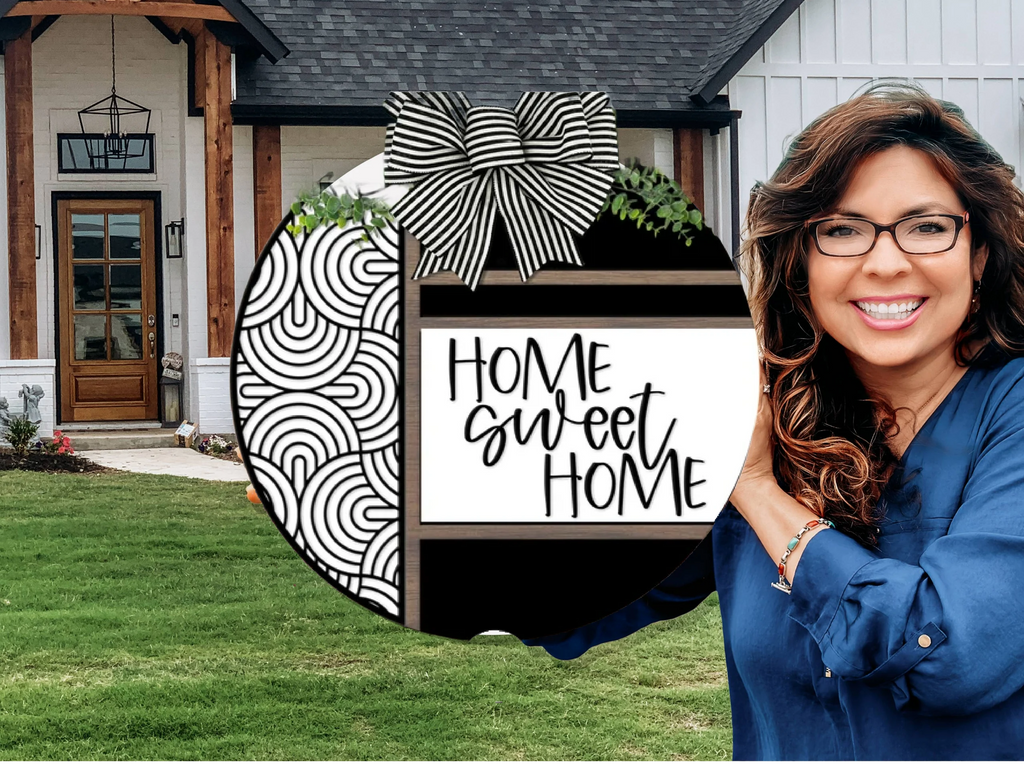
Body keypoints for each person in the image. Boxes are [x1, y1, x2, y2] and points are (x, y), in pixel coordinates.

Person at [522, 82, 1024, 761]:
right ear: (801, 262)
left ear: (981, 252)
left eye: (927, 226)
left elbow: (950, 654)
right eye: (841, 230)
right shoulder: (768, 413)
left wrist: (758, 490)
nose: (884, 262)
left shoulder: (1009, 414)